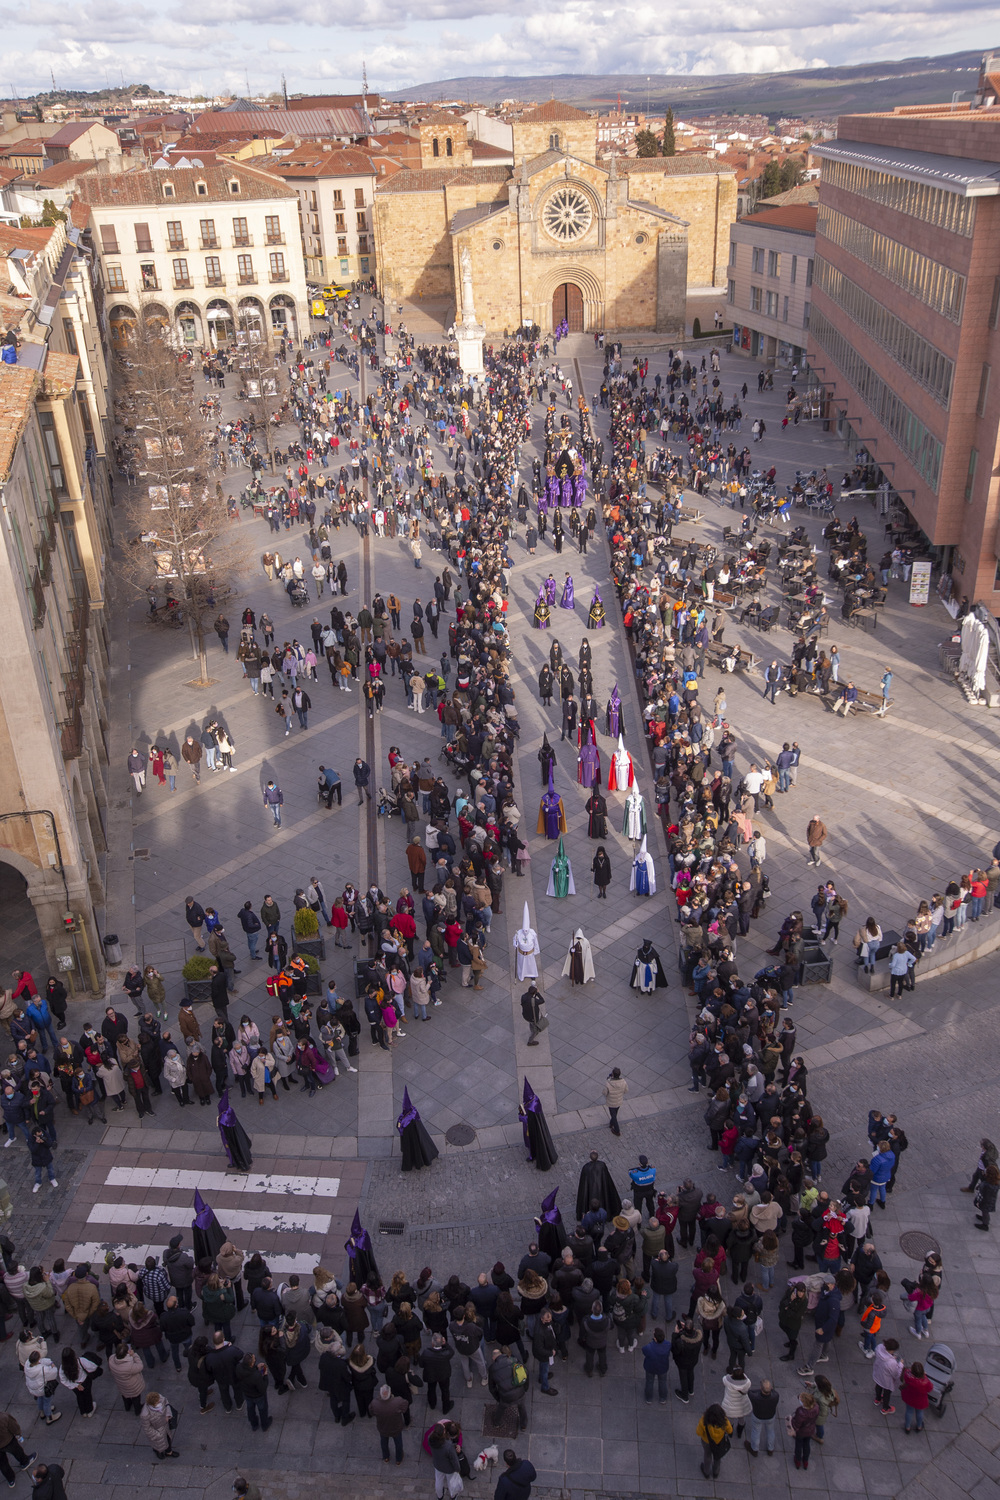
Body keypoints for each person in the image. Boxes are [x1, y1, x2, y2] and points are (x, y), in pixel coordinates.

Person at [371, 1382, 407, 1465]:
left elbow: (371, 1412)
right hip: (396, 1427)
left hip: (383, 1427)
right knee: (398, 1443)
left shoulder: (375, 1403)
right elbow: (405, 1405)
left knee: (384, 1442)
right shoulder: (397, 1401)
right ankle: (398, 1459)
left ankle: (386, 1457)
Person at [696, 1402, 733, 1478]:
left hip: (706, 1441)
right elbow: (730, 1430)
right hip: (719, 1441)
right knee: (717, 1456)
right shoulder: (724, 1421)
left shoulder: (704, 1421)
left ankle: (706, 1472)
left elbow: (698, 1432)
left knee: (707, 1455)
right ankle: (716, 1472)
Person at [746, 1377, 779, 1456]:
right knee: (770, 1431)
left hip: (758, 1416)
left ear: (761, 1388)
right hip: (770, 1416)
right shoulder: (775, 1396)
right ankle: (770, 1449)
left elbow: (750, 1392)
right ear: (771, 1388)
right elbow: (774, 1391)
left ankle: (754, 1449)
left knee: (756, 1432)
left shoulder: (755, 1397)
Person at [873, 1337, 903, 1414]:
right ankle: (885, 1408)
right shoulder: (891, 1363)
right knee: (887, 1393)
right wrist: (900, 1364)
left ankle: (877, 1399)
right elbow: (896, 1374)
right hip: (886, 1380)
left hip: (878, 1373)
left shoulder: (879, 1347)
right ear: (892, 1350)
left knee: (878, 1386)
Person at [901, 1359, 933, 1433]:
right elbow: (930, 1388)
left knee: (909, 1412)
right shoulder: (925, 1382)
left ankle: (907, 1427)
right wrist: (925, 1376)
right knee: (919, 1413)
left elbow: (906, 1372)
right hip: (920, 1401)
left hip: (909, 1398)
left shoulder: (907, 1375)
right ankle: (919, 1426)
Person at [641, 1326, 671, 1404]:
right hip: (663, 1367)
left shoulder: (649, 1347)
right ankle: (663, 1398)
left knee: (649, 1382)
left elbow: (643, 1350)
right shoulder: (668, 1345)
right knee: (662, 1382)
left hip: (651, 1367)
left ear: (655, 1338)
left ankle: (649, 1398)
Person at [791, 1390, 818, 1470]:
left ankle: (798, 1460)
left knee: (798, 1445)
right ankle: (805, 1461)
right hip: (810, 1429)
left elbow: (796, 1424)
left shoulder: (801, 1412)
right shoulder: (816, 1407)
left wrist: (792, 1422)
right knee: (807, 1444)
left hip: (801, 1432)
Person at [603, 1068, 628, 1137]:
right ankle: (611, 1124)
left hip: (611, 1102)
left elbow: (605, 1093)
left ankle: (617, 1130)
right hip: (619, 1101)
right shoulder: (623, 1082)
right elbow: (626, 1091)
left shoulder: (608, 1083)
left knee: (613, 1115)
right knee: (614, 1114)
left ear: (613, 1074)